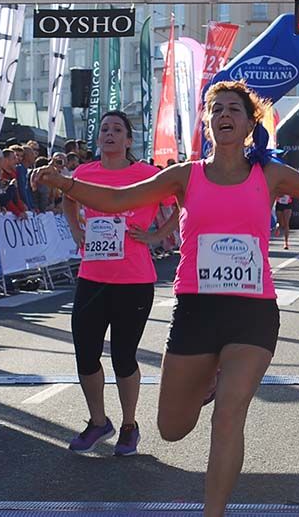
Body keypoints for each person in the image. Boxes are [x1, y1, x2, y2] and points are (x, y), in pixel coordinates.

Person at [32, 80, 299, 516]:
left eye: (233, 110)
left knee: (228, 417)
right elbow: (118, 199)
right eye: (216, 109)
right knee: (171, 427)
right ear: (208, 123)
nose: (224, 115)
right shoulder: (184, 175)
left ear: (249, 124)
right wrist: (66, 184)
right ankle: (207, 380)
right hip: (196, 311)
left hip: (252, 313)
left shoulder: (270, 174)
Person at [61, 110, 179, 456]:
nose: (109, 134)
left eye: (117, 130)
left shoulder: (147, 175)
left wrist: (158, 234)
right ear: (98, 138)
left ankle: (129, 425)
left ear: (129, 140)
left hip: (134, 279)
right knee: (85, 354)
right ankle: (98, 422)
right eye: (104, 129)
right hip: (92, 277)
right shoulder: (84, 173)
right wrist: (76, 229)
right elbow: (68, 199)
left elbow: (180, 204)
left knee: (124, 357)